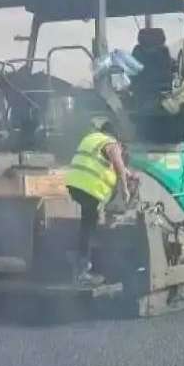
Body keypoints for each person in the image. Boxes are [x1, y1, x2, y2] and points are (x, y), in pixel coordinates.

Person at [63, 118, 136, 285]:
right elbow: (117, 163)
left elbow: (108, 161)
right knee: (89, 226)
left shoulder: (91, 139)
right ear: (115, 135)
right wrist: (125, 187)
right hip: (89, 189)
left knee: (87, 222)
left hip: (75, 185)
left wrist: (128, 173)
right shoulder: (111, 143)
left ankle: (80, 260)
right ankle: (82, 270)